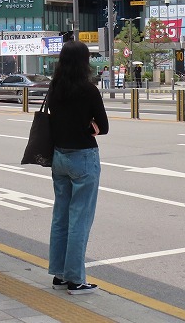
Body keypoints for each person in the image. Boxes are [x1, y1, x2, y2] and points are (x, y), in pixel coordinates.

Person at [46, 40, 108, 295]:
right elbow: (103, 126)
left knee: (61, 217)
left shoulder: (55, 87)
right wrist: (89, 125)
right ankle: (75, 279)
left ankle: (59, 274)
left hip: (58, 157)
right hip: (82, 157)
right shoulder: (88, 89)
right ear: (84, 62)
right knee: (80, 219)